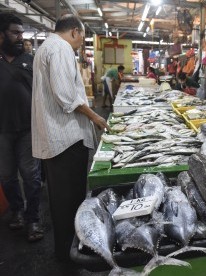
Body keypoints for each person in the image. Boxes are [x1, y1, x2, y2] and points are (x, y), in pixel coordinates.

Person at [31, 14, 110, 261]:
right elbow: (66, 96)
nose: (81, 43)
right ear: (75, 32)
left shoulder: (48, 47)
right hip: (66, 139)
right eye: (82, 38)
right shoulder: (61, 49)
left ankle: (65, 252)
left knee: (62, 202)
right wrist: (94, 117)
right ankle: (69, 256)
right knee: (70, 203)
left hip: (57, 140)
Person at [0, 13, 44, 242]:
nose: (20, 37)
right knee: (6, 176)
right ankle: (17, 210)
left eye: (22, 33)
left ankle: (32, 219)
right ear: (1, 35)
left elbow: (41, 93)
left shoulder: (29, 60)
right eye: (15, 33)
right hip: (2, 131)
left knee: (31, 175)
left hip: (28, 128)